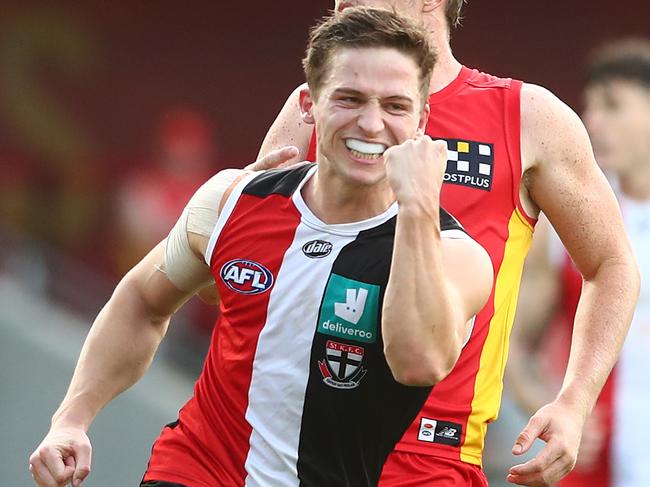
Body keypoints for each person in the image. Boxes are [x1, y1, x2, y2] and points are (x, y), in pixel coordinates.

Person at [28, 8, 494, 487]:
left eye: (395, 106)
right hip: (197, 469)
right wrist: (71, 419)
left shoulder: (457, 255)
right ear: (309, 103)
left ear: (423, 121)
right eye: (349, 99)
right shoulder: (233, 199)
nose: (371, 124)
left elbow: (418, 362)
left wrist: (418, 204)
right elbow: (142, 302)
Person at [253, 1, 640, 486]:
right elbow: (241, 269)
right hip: (288, 445)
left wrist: (575, 401)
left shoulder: (528, 117)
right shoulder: (319, 105)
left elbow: (611, 264)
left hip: (430, 459)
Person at [508, 38, 650, 487]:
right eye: (591, 105)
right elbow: (510, 342)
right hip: (595, 466)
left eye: (613, 106)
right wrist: (560, 407)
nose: (593, 121)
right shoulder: (568, 224)